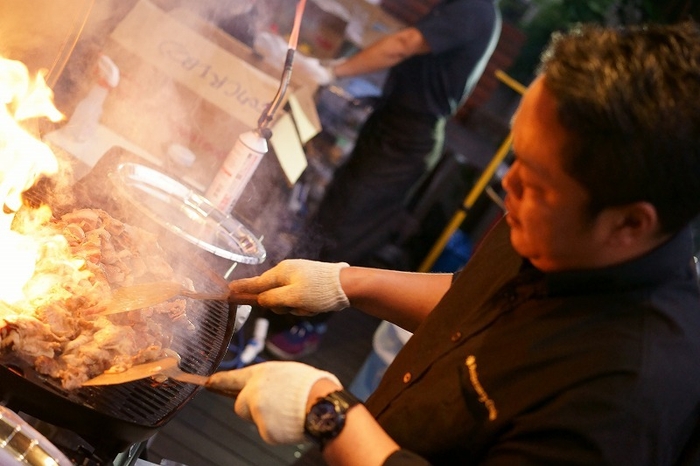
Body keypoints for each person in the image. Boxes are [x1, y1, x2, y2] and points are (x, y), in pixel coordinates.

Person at [206, 21, 700, 465]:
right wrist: (346, 283)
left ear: (630, 224)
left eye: (536, 183)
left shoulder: (625, 395)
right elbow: (477, 303)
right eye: (515, 158)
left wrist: (326, 412)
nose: (509, 188)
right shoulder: (554, 228)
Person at [265, 0, 502, 359]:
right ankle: (280, 308)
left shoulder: (474, 7)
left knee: (345, 230)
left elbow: (403, 43)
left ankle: (301, 325)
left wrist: (333, 71)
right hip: (391, 126)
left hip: (407, 138)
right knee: (333, 215)